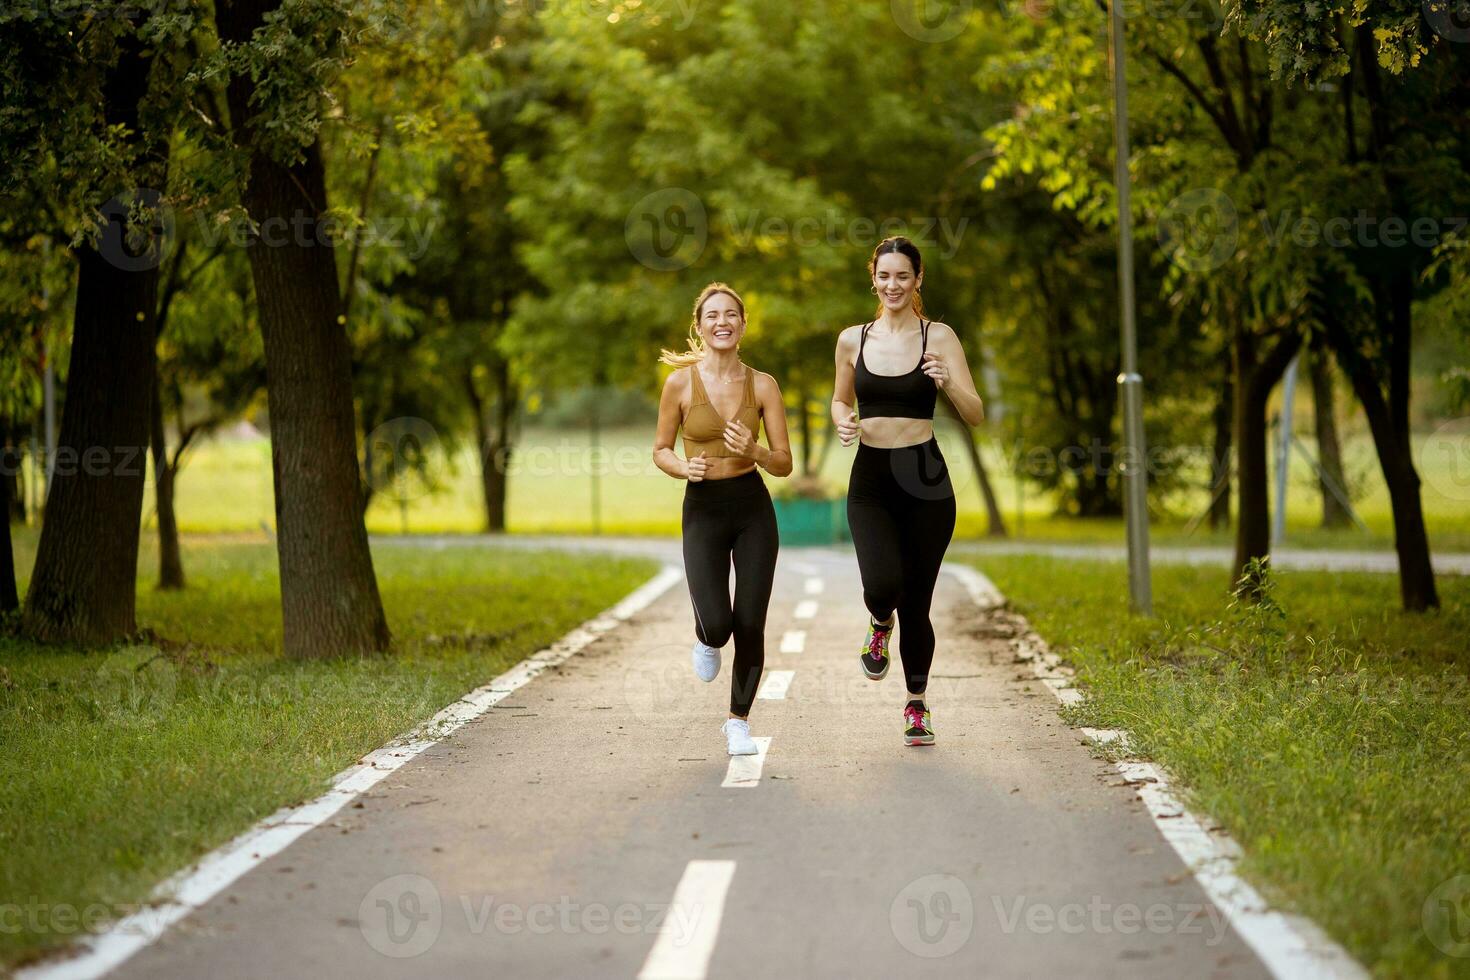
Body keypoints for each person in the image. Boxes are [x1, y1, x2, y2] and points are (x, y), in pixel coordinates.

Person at [830, 237, 984, 746]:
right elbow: (837, 399)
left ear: (918, 279)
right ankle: (879, 622)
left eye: (902, 276)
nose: (892, 285)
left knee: (917, 603)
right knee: (883, 584)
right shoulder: (853, 339)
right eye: (884, 276)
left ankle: (916, 705)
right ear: (872, 278)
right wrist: (843, 421)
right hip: (871, 480)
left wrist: (948, 384)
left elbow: (976, 413)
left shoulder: (938, 337)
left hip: (926, 481)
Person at [654, 283, 793, 756]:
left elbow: (784, 462)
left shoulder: (763, 385)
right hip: (703, 509)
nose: (722, 322)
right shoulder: (678, 384)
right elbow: (659, 450)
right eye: (712, 315)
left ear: (743, 324)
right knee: (719, 623)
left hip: (752, 507)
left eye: (730, 314)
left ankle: (738, 722)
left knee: (751, 622)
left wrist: (753, 451)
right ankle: (707, 638)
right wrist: (682, 467)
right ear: (699, 326)